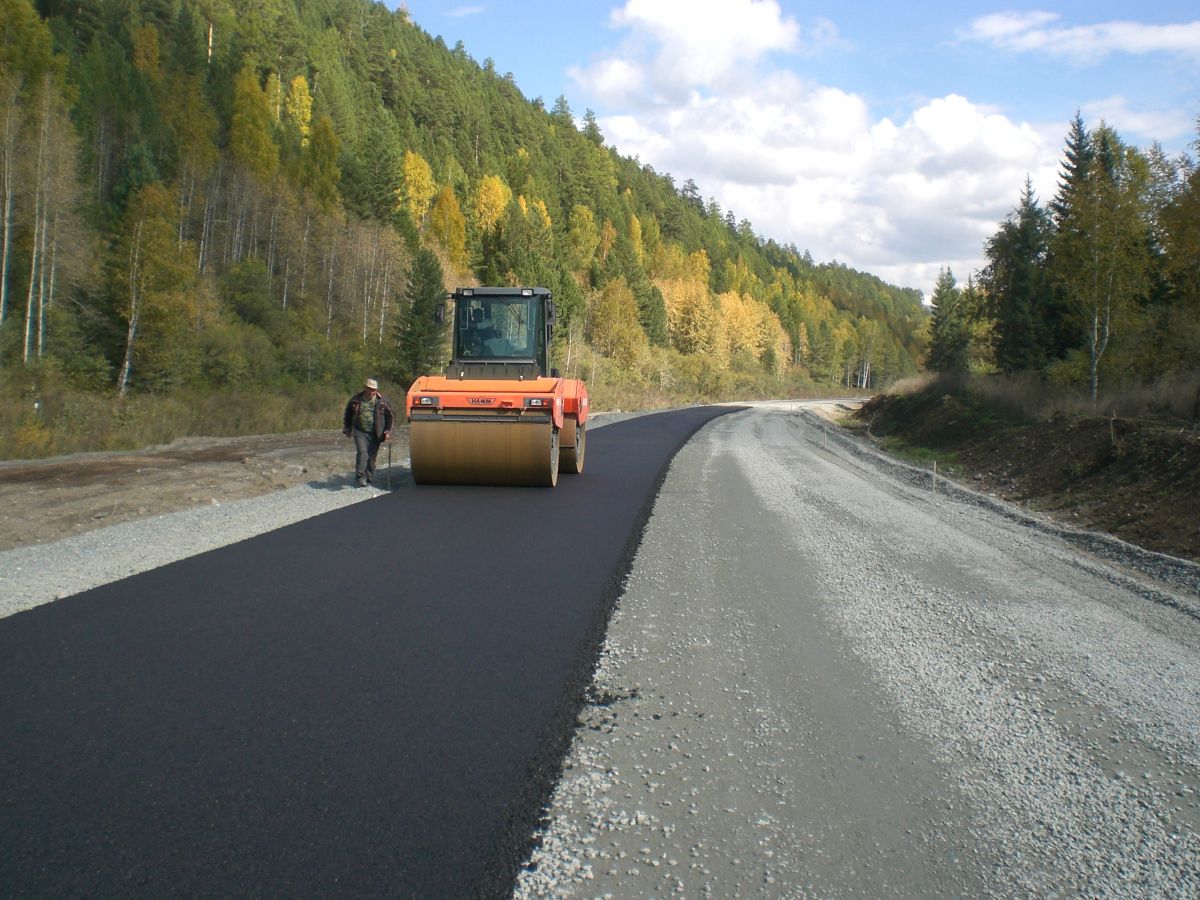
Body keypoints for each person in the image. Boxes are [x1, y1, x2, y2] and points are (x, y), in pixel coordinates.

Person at [343, 378, 393, 487]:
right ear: (365, 388)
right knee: (362, 453)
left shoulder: (383, 401)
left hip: (376, 433)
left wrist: (388, 431)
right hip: (360, 431)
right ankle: (360, 477)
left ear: (376, 390)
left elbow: (390, 417)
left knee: (372, 456)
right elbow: (348, 414)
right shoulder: (356, 400)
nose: (371, 392)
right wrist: (347, 428)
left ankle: (369, 476)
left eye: (373, 390)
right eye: (369, 389)